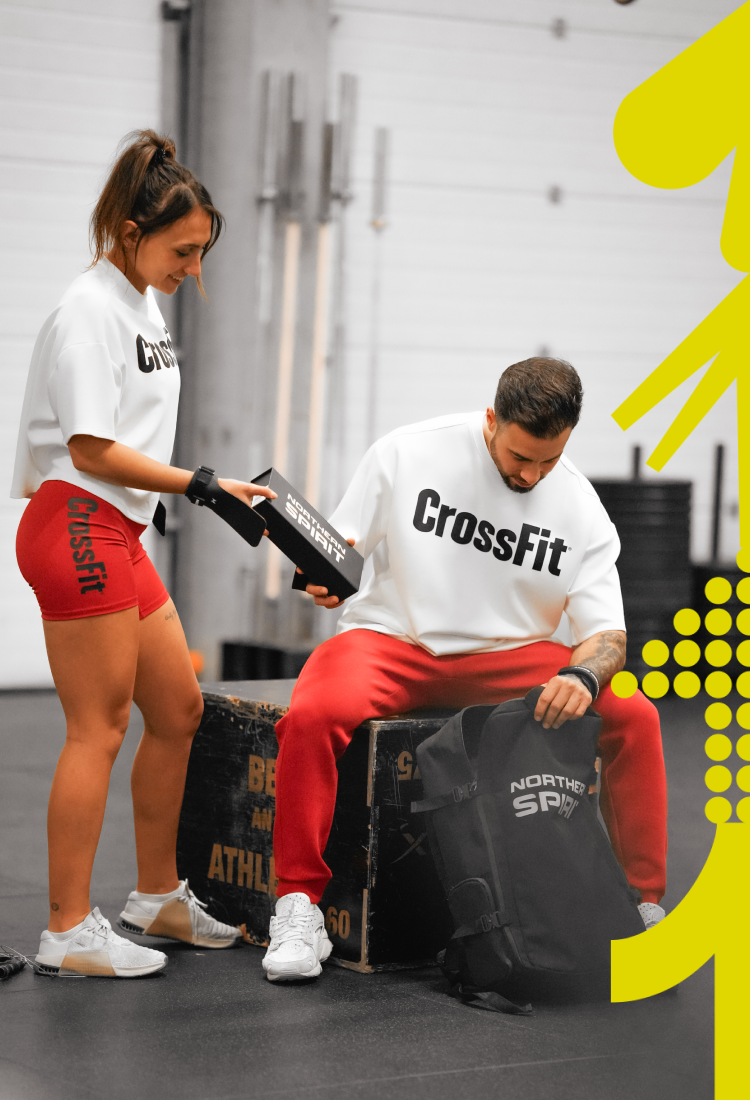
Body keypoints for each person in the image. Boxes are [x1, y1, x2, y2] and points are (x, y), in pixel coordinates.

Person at [261, 357, 668, 982]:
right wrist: (326, 578)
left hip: (511, 656)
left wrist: (583, 677)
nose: (530, 474)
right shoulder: (406, 452)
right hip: (396, 641)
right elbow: (343, 548)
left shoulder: (581, 507)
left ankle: (643, 908)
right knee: (313, 712)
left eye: (548, 460)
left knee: (634, 716)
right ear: (491, 421)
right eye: (519, 457)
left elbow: (607, 636)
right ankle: (296, 905)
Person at [12, 130, 276, 978]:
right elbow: (90, 448)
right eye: (182, 252)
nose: (192, 270)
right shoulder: (89, 311)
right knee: (99, 727)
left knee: (178, 709)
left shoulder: (140, 303)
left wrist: (190, 488)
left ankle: (157, 895)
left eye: (201, 254)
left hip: (117, 530)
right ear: (131, 234)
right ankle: (65, 931)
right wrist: (200, 484)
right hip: (77, 523)